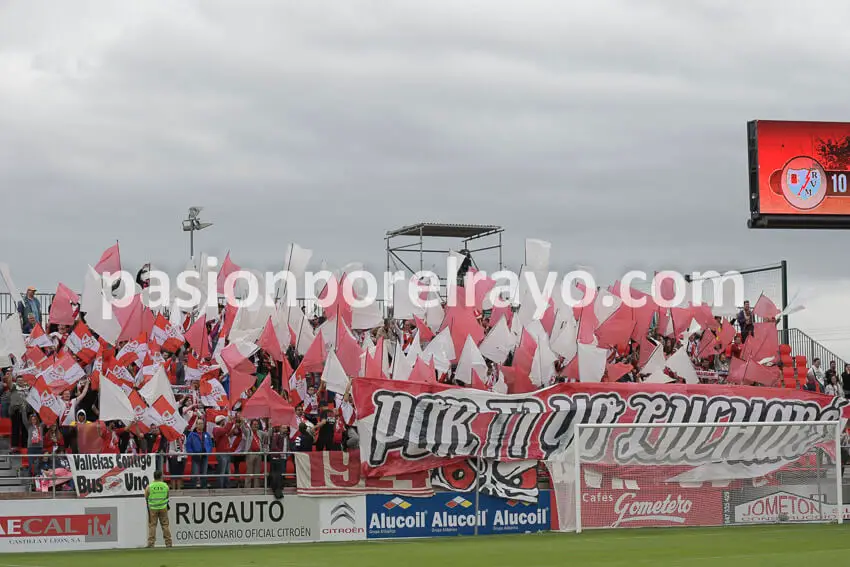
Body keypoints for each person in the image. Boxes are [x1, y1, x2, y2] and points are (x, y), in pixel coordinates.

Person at [145, 470, 173, 548]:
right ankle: (168, 543)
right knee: (165, 525)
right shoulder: (165, 485)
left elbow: (146, 496)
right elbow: (167, 496)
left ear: (154, 476)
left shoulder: (150, 486)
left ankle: (151, 543)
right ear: (161, 476)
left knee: (152, 526)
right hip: (163, 508)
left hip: (153, 508)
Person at [186, 420, 213, 489]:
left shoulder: (206, 434)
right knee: (194, 472)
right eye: (199, 424)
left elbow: (210, 444)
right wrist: (192, 453)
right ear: (196, 425)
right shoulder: (192, 435)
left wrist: (208, 452)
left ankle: (203, 486)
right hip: (196, 455)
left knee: (204, 472)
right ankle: (193, 487)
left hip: (204, 455)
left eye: (202, 423)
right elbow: (188, 445)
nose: (201, 425)